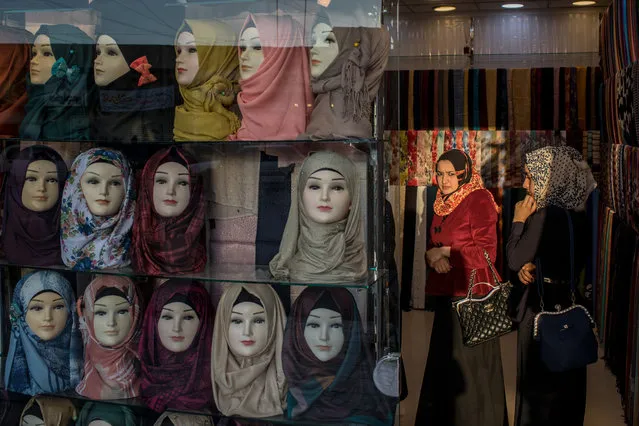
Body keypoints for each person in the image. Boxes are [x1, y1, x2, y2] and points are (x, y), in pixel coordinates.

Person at [415, 149, 507, 426]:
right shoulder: (442, 201)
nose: (444, 180)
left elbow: (487, 252)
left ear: (464, 173)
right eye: (440, 174)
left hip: (472, 300)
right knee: (446, 371)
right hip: (448, 295)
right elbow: (436, 244)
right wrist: (434, 255)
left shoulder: (479, 199)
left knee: (471, 374)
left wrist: (446, 253)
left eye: (450, 174)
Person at [507, 145, 596, 426]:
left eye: (531, 177)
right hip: (571, 302)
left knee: (539, 397)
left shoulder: (541, 215)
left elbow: (513, 258)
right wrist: (531, 263)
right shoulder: (578, 214)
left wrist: (518, 222)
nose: (524, 184)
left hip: (540, 310)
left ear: (550, 179)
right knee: (568, 392)